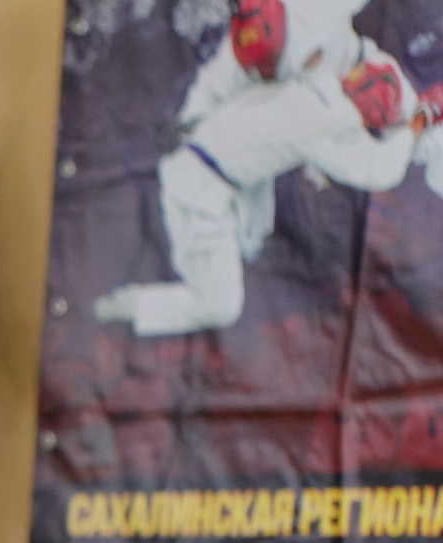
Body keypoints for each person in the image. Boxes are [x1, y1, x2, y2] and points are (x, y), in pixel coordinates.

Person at [92, 5, 438, 337]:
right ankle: (118, 309)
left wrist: (420, 117)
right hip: (199, 187)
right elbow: (381, 170)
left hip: (222, 166)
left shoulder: (317, 78)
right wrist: (421, 119)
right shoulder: (324, 118)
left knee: (256, 245)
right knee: (221, 305)